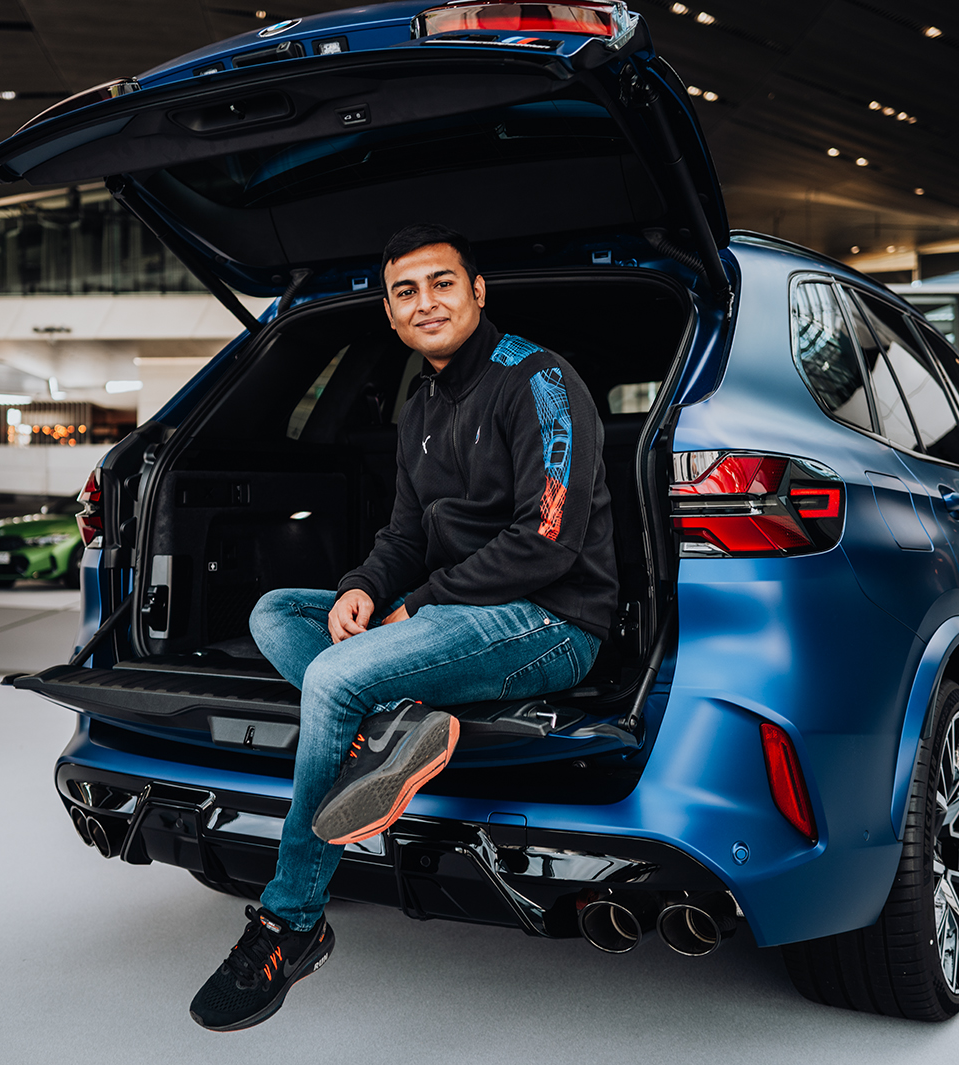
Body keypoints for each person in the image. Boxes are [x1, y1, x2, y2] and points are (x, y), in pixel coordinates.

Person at [189, 223, 619, 1031]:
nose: (426, 302)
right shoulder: (417, 398)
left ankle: (292, 919)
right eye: (405, 291)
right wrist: (362, 588)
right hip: (448, 611)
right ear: (389, 313)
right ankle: (398, 725)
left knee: (333, 676)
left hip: (551, 620)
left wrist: (416, 605)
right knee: (277, 611)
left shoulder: (539, 379)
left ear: (477, 290)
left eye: (441, 282)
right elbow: (405, 534)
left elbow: (548, 539)